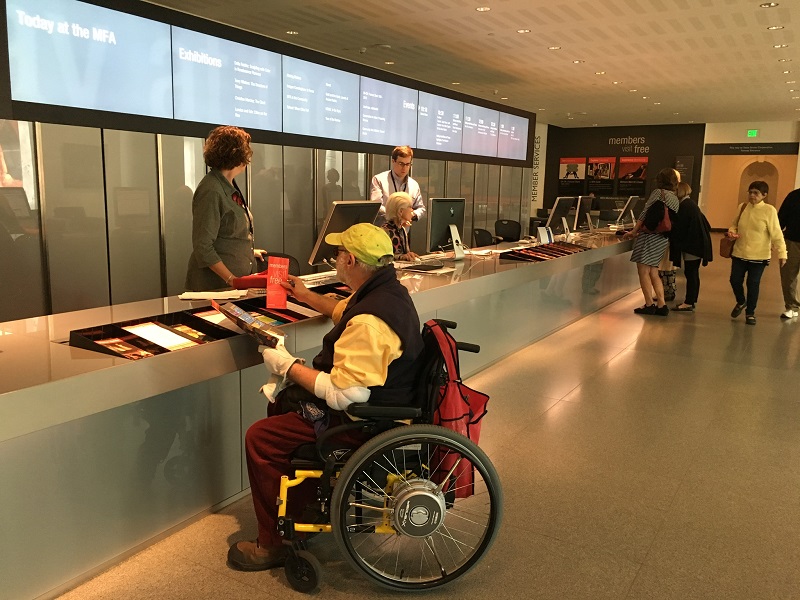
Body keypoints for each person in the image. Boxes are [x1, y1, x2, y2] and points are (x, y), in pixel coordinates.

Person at [227, 222, 423, 571]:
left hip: (359, 420)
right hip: (382, 401)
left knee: (261, 438)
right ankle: (299, 511)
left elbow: (345, 395)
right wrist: (303, 295)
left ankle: (272, 543)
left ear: (349, 260)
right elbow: (341, 311)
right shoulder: (386, 293)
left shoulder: (368, 324)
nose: (334, 258)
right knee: (282, 409)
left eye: (337, 254)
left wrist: (287, 367)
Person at [185, 126, 266, 291]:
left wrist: (246, 251)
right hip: (216, 287)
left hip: (232, 285)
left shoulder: (227, 184)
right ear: (237, 154)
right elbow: (203, 247)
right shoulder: (211, 189)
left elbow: (228, 232)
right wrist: (231, 279)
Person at [726, 180, 787, 325]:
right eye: (750, 192)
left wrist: (782, 253)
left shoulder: (769, 210)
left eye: (756, 193)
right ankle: (741, 301)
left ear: (764, 195)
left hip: (759, 256)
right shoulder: (743, 207)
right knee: (734, 280)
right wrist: (731, 232)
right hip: (739, 252)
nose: (752, 195)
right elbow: (734, 224)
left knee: (753, 284)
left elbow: (777, 234)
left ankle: (750, 313)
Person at [622, 168, 680, 316]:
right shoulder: (674, 197)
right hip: (662, 238)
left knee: (643, 271)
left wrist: (634, 231)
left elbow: (644, 213)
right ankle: (661, 305)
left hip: (649, 236)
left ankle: (649, 304)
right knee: (653, 271)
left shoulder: (658, 193)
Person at [669, 181, 713, 311]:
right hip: (696, 245)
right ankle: (691, 300)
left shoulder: (685, 206)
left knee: (691, 273)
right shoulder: (691, 205)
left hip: (693, 246)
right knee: (693, 273)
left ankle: (688, 302)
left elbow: (680, 228)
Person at [370, 146, 425, 226]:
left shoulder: (414, 185)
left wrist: (411, 215)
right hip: (383, 232)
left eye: (407, 164)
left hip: (403, 233)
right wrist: (397, 218)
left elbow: (421, 208)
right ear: (393, 161)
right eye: (401, 164)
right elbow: (376, 207)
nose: (404, 168)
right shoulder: (379, 180)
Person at [777, 186, 800, 319]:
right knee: (788, 275)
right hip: (792, 241)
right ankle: (791, 306)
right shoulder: (793, 196)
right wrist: (774, 239)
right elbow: (781, 218)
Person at [382, 191, 419, 261]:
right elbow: (384, 257)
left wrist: (410, 255)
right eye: (410, 207)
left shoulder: (402, 229)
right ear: (400, 211)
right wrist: (401, 257)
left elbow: (405, 253)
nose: (412, 210)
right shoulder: (385, 231)